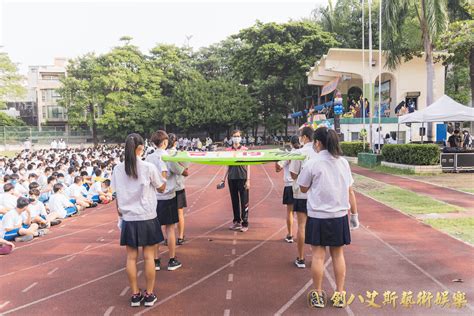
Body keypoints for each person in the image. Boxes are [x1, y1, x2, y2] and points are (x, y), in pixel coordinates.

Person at [297, 126, 359, 309]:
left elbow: (302, 187)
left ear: (317, 143)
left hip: (317, 216)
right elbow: (350, 189)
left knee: (317, 256)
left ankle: (317, 294)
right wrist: (354, 214)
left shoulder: (312, 163)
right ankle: (339, 294)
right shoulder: (343, 163)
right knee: (338, 255)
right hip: (339, 215)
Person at [111, 133, 166, 307]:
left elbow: (116, 193)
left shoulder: (118, 169)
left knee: (131, 258)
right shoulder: (148, 167)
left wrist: (120, 212)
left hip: (129, 218)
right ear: (140, 149)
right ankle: (149, 294)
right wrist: (164, 178)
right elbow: (162, 188)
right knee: (149, 257)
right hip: (147, 216)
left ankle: (135, 294)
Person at [146, 130, 184, 271]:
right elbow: (181, 170)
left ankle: (155, 261)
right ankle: (172, 260)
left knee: (156, 229)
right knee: (170, 229)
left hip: (153, 197)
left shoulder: (148, 158)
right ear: (165, 142)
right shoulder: (168, 157)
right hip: (168, 195)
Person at [289, 127, 317, 269]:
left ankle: (300, 258)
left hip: (301, 194)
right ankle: (317, 258)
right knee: (315, 227)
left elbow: (293, 174)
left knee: (301, 226)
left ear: (305, 137)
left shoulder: (299, 153)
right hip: (316, 195)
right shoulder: (319, 153)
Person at [275, 135, 300, 243]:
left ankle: (290, 235)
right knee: (302, 213)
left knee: (290, 212)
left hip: (290, 186)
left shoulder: (288, 155)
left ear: (290, 143)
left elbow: (278, 169)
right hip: (302, 186)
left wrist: (276, 159)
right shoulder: (304, 154)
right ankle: (304, 233)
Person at [224, 130, 250, 232]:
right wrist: (223, 179)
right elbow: (226, 165)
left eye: (238, 136)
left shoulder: (245, 150)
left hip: (242, 178)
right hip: (232, 178)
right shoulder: (228, 150)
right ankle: (236, 221)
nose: (236, 138)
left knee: (244, 201)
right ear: (231, 137)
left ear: (241, 137)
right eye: (234, 136)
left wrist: (248, 180)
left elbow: (248, 165)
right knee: (234, 201)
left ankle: (245, 223)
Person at [167, 133, 189, 245]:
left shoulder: (161, 154)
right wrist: (184, 168)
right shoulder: (177, 154)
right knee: (179, 212)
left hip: (164, 188)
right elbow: (184, 171)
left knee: (166, 214)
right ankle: (180, 237)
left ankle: (168, 237)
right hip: (177, 187)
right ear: (175, 142)